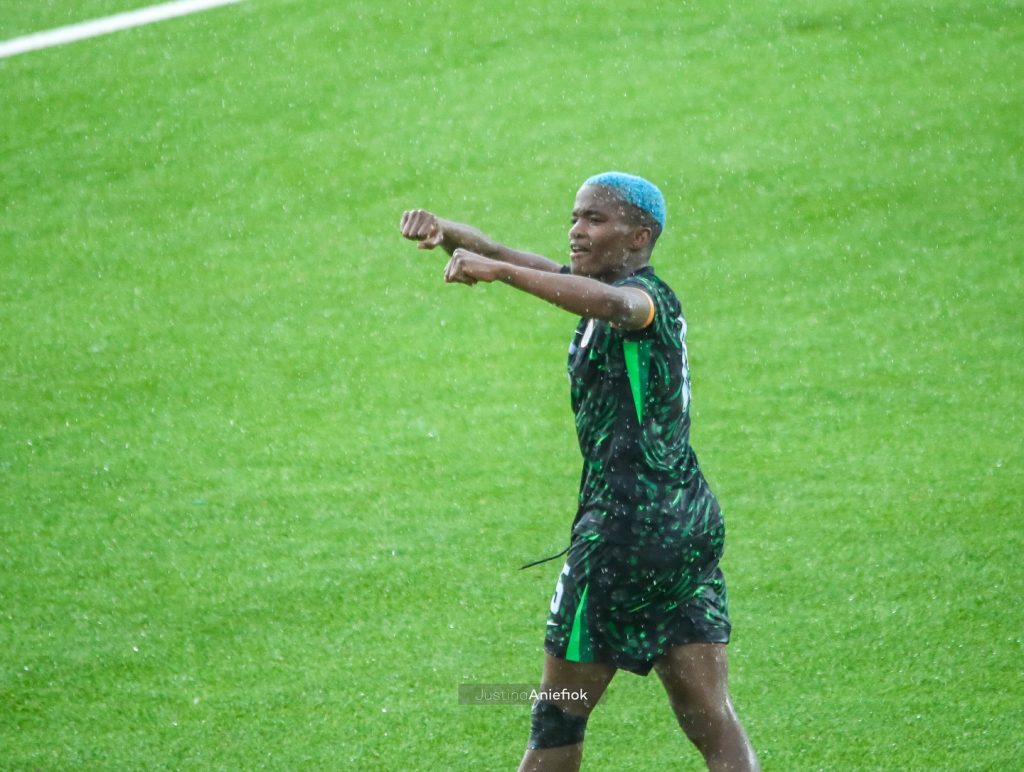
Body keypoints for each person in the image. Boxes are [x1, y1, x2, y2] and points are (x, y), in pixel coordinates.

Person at [400, 172, 760, 772]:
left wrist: (501, 273)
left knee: (559, 714)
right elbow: (503, 252)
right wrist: (446, 232)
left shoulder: (642, 300)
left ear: (639, 236)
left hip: (624, 536)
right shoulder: (596, 290)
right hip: (687, 529)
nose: (576, 230)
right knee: (710, 717)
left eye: (595, 219)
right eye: (575, 216)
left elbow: (616, 306)